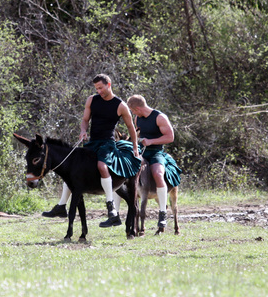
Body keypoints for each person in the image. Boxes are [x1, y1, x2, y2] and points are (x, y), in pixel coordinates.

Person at [41, 74, 140, 227]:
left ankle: (111, 210)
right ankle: (61, 206)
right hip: (92, 142)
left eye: (101, 87)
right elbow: (85, 120)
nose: (98, 91)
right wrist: (83, 131)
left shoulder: (120, 105)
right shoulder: (91, 100)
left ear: (109, 85)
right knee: (72, 170)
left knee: (102, 166)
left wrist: (135, 147)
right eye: (96, 88)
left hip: (107, 144)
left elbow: (131, 129)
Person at [126, 94, 181, 231]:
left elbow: (170, 137)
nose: (132, 113)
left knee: (158, 172)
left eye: (133, 110)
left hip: (156, 152)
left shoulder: (160, 117)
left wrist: (151, 141)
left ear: (138, 108)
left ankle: (162, 212)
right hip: (142, 152)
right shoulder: (138, 118)